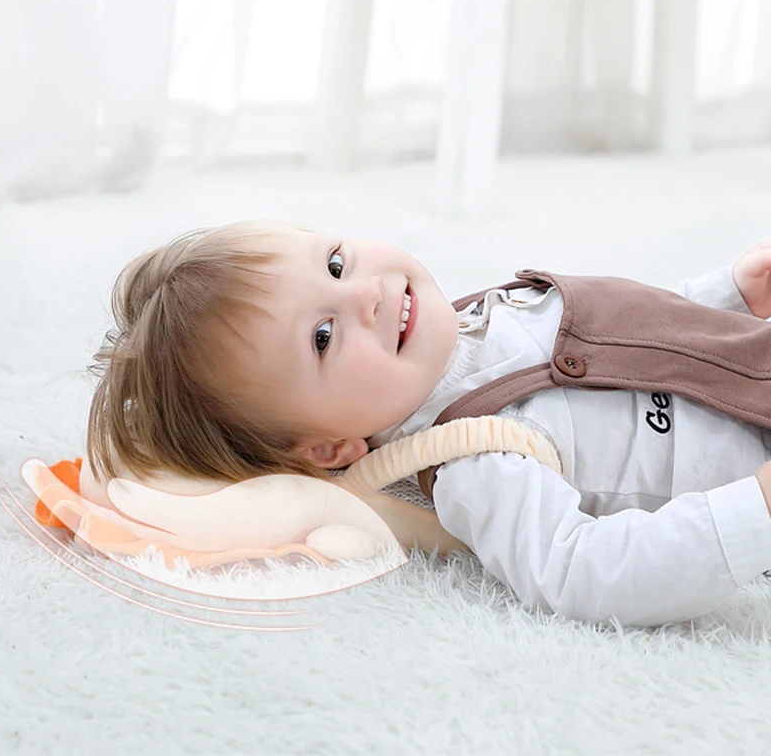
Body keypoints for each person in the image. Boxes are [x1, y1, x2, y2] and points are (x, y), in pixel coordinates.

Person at [84, 219, 771, 626]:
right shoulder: (472, 456)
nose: (365, 292)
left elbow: (644, 343)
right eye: (323, 336)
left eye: (335, 262)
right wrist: (756, 510)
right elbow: (578, 571)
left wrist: (727, 295)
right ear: (329, 447)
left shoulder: (482, 318)